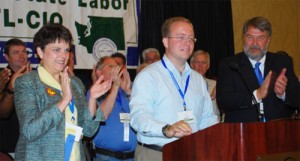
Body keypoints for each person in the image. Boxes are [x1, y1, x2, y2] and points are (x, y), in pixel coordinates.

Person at [14, 23, 112, 161]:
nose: (63, 55)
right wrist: (64, 101)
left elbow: (89, 131)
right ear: (40, 52)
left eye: (66, 50)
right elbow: (30, 130)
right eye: (56, 49)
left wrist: (92, 99)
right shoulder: (28, 82)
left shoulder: (75, 83)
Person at [130, 16, 219, 161]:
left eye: (191, 38)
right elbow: (138, 118)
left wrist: (220, 136)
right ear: (165, 41)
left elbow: (207, 118)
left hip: (192, 153)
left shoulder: (197, 79)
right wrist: (167, 129)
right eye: (181, 37)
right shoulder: (148, 76)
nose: (187, 42)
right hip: (157, 154)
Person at [216, 16, 299, 123]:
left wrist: (282, 94)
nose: (254, 43)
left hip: (278, 131)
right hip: (242, 132)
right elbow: (223, 101)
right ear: (243, 38)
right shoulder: (229, 64)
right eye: (250, 37)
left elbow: (297, 98)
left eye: (260, 38)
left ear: (268, 40)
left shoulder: (282, 62)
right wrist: (256, 95)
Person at [88, 56, 136, 161]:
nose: (116, 69)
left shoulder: (123, 91)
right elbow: (102, 116)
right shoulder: (95, 92)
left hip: (131, 156)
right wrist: (115, 87)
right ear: (99, 72)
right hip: (107, 156)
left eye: (117, 66)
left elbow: (140, 114)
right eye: (110, 66)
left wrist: (128, 91)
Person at [0, 38, 31, 159]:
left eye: (24, 51)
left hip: (31, 144)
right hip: (7, 145)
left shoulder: (36, 76)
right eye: (16, 52)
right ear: (6, 57)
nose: (21, 56)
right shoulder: (2, 77)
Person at [190, 50, 220, 121]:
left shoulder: (215, 84)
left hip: (213, 125)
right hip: (195, 127)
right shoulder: (185, 85)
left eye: (203, 62)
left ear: (208, 66)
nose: (200, 65)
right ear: (191, 65)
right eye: (197, 62)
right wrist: (211, 97)